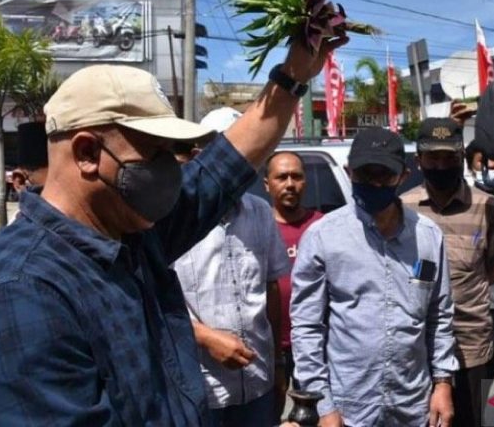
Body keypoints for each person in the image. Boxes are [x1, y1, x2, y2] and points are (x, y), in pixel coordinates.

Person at [0, 34, 346, 425]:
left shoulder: (130, 232)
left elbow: (223, 167)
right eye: (155, 154)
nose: (172, 171)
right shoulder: (21, 289)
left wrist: (294, 74)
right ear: (88, 154)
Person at [291, 128, 458, 427]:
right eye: (365, 175)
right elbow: (307, 328)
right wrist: (323, 405)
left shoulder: (428, 237)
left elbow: (439, 315)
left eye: (384, 175)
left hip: (413, 406)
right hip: (348, 410)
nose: (374, 183)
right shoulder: (323, 237)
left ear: (403, 175)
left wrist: (443, 383)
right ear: (349, 171)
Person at [173, 108, 290, 426]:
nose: (242, 166)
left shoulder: (261, 212)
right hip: (199, 390)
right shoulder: (173, 218)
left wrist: (278, 364)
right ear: (200, 156)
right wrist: (205, 337)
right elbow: (155, 300)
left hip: (257, 386)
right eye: (232, 154)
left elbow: (270, 290)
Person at [402, 118, 494, 427]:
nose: (441, 165)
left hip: (471, 345)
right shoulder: (403, 208)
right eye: (433, 158)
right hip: (417, 346)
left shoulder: (487, 206)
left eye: (449, 158)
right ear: (419, 160)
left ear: (462, 157)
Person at [264, 150, 323, 392]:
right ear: (267, 184)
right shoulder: (258, 226)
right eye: (282, 177)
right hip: (269, 345)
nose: (290, 184)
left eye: (296, 177)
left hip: (314, 344)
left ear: (305, 181)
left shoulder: (323, 226)